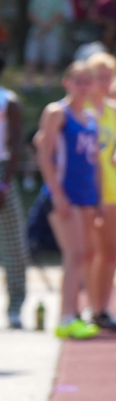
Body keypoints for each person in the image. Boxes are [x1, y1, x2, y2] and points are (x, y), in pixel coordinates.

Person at [36, 61, 101, 338]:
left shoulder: (91, 117)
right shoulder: (56, 113)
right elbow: (44, 154)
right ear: (67, 82)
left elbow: (93, 162)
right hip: (64, 194)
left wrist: (97, 199)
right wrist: (57, 194)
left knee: (85, 254)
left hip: (86, 195)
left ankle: (75, 312)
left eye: (88, 81)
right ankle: (65, 317)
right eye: (78, 81)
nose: (83, 86)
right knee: (73, 254)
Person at [86, 52, 116, 331]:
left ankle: (103, 309)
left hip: (112, 188)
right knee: (90, 252)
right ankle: (89, 307)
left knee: (111, 252)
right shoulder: (82, 109)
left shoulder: (115, 110)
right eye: (99, 77)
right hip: (87, 188)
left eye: (108, 77)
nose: (104, 82)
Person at [0, 83, 26, 328]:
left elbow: (15, 144)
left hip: (2, 171)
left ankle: (15, 307)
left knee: (13, 244)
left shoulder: (8, 100)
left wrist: (5, 182)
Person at [24, 0, 71, 90]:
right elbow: (31, 13)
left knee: (50, 60)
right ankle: (29, 84)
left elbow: (59, 14)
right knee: (31, 58)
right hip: (35, 33)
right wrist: (40, 28)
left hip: (53, 33)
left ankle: (47, 84)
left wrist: (44, 28)